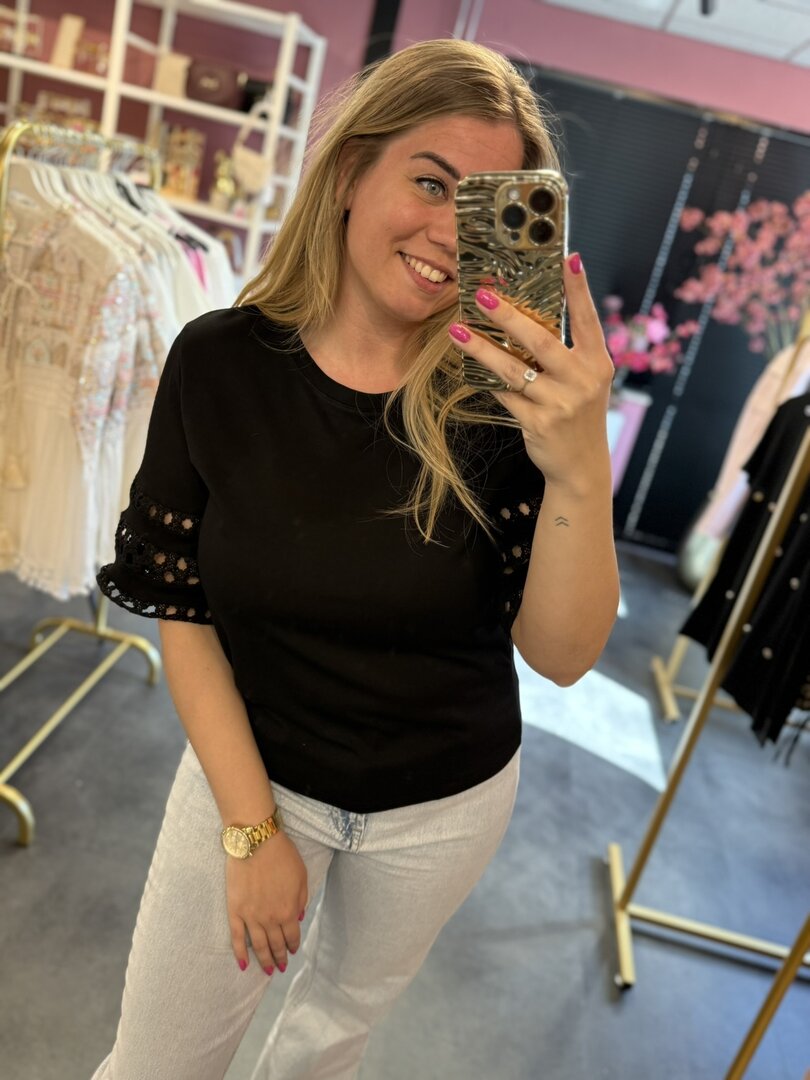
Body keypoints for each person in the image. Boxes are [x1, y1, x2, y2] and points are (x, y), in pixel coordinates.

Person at [92, 37, 618, 1080]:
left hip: (444, 803)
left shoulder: (509, 408)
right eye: (429, 182)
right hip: (256, 772)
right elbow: (183, 607)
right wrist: (252, 832)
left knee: (329, 1041)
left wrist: (580, 468)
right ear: (347, 174)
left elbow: (561, 657)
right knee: (156, 1062)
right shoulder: (220, 364)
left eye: (485, 208)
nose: (449, 232)